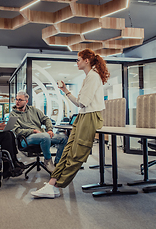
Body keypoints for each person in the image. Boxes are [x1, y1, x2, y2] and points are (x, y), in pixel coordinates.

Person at [31, 48, 109, 199]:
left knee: (76, 155)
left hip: (89, 117)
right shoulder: (89, 77)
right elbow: (81, 104)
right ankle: (51, 185)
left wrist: (67, 92)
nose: (76, 63)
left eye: (78, 60)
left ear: (86, 61)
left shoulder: (93, 77)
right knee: (68, 152)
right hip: (83, 116)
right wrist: (65, 90)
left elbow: (82, 102)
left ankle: (56, 185)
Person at [10, 91, 68, 172]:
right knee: (45, 136)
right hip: (25, 139)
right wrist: (33, 131)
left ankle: (58, 164)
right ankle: (48, 161)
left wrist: (50, 129)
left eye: (20, 100)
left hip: (42, 135)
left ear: (26, 101)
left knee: (63, 138)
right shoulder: (12, 114)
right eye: (16, 99)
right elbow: (17, 131)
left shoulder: (34, 110)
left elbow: (46, 119)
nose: (17, 101)